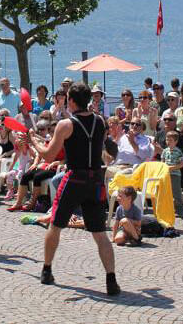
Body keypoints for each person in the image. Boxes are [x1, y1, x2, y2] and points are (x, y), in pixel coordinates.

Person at [26, 82, 120, 296]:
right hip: (95, 181)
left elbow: (49, 155)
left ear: (70, 100)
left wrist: (33, 139)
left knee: (55, 225)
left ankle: (47, 269)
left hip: (74, 180)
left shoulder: (65, 125)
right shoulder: (100, 121)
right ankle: (111, 280)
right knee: (100, 235)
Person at [161, 130, 183, 217]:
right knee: (166, 192)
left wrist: (172, 168)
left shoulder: (178, 151)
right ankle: (168, 209)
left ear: (176, 141)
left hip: (175, 175)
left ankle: (179, 210)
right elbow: (162, 161)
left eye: (170, 140)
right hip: (166, 174)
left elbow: (182, 164)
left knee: (176, 192)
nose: (168, 142)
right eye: (167, 140)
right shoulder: (165, 151)